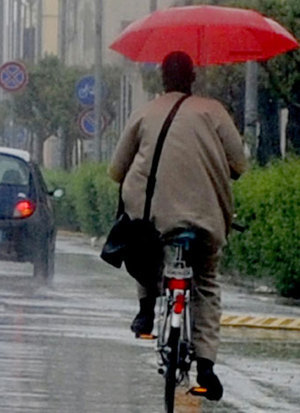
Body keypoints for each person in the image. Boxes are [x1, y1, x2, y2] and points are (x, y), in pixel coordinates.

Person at [108, 51, 248, 401]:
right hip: (204, 219)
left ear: (161, 79)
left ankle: (145, 311)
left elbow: (115, 170)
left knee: (143, 247)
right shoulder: (213, 111)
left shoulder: (144, 113)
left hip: (154, 217)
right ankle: (206, 367)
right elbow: (240, 164)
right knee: (206, 283)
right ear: (193, 78)